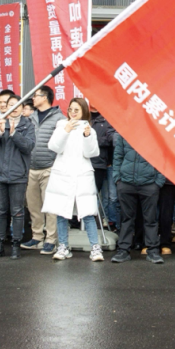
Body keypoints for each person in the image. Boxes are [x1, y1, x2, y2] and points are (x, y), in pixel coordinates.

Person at [43, 98, 105, 262]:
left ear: (84, 111)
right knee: (62, 213)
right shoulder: (61, 125)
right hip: (63, 175)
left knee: (87, 213)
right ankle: (63, 246)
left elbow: (92, 153)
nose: (73, 113)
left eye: (76, 110)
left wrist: (87, 136)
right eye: (71, 109)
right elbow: (54, 147)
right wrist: (66, 131)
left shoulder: (89, 129)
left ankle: (95, 247)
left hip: (82, 175)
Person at [0, 92, 35, 259]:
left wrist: (14, 134)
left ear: (22, 108)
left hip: (18, 174)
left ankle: (16, 244)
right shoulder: (0, 122)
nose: (14, 108)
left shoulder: (28, 125)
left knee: (17, 211)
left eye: (17, 105)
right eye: (11, 105)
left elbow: (28, 147)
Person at [109, 130, 166, 263]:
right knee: (126, 219)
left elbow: (162, 158)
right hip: (126, 183)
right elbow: (117, 156)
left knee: (150, 219)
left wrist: (158, 182)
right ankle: (123, 251)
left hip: (149, 184)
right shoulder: (125, 133)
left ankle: (153, 251)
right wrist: (118, 179)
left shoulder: (156, 134)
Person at [25, 86, 62, 253]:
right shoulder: (30, 117)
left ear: (45, 97)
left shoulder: (59, 118)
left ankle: (51, 239)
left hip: (49, 168)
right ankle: (37, 237)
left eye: (36, 95)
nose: (33, 98)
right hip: (30, 168)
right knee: (33, 206)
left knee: (51, 207)